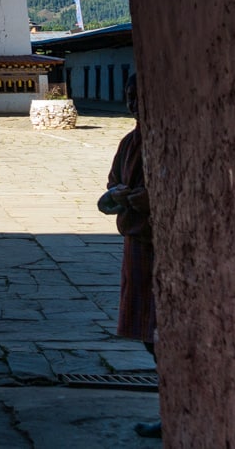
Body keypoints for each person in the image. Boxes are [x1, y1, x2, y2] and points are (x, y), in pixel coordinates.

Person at [98, 74, 161, 439]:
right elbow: (107, 193)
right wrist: (119, 196)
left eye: (139, 95)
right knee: (149, 335)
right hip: (137, 246)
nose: (132, 103)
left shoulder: (170, 138)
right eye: (129, 96)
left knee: (163, 332)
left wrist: (152, 201)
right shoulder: (129, 143)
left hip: (162, 244)